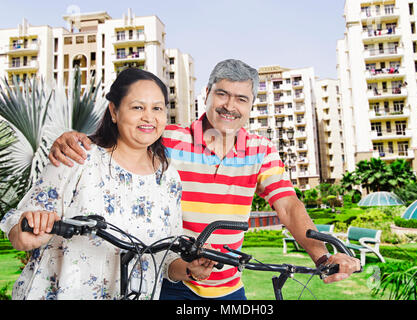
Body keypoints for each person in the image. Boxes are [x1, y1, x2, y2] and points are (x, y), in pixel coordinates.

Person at [48, 59, 361, 300]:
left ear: (251, 105)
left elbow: (289, 206)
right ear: (207, 94)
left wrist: (321, 257)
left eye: (241, 98)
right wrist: (73, 139)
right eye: (222, 93)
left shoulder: (262, 151)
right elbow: (111, 145)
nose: (230, 105)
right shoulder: (168, 138)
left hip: (228, 286)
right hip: (169, 279)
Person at [0, 68, 215, 300]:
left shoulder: (168, 178)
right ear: (114, 111)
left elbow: (166, 260)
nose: (149, 117)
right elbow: (17, 224)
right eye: (137, 107)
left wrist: (190, 269)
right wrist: (27, 230)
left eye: (157, 108)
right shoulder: (77, 157)